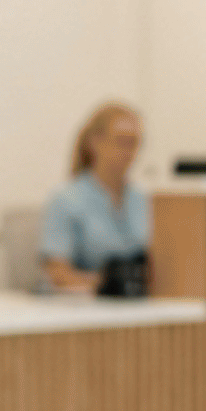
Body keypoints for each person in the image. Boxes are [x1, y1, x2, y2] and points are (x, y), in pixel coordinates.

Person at [40, 102, 149, 294]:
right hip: (85, 304)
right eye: (121, 142)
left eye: (133, 143)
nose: (128, 152)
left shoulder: (143, 200)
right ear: (95, 142)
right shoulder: (66, 200)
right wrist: (106, 284)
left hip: (136, 302)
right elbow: (57, 273)